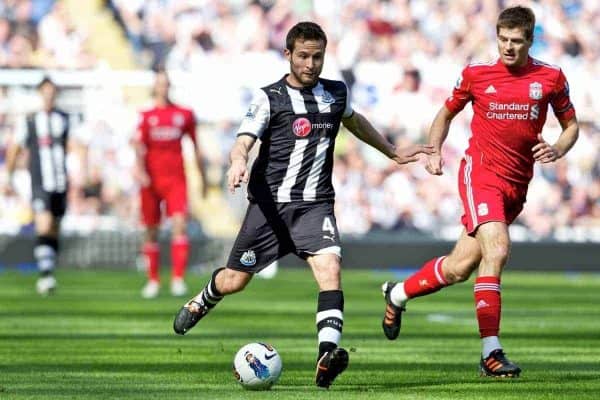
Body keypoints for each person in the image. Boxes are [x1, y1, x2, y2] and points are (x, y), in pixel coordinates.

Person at [172, 21, 433, 389]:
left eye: (318, 57)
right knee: (234, 281)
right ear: (289, 55)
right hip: (269, 209)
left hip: (315, 206)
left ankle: (327, 355)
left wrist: (391, 151)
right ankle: (203, 299)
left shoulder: (335, 94)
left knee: (330, 270)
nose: (311, 64)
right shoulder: (270, 97)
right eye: (304, 56)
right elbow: (244, 138)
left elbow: (354, 122)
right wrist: (237, 160)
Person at [380, 6, 579, 378]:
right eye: (502, 39)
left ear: (529, 40)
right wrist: (435, 149)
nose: (507, 47)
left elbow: (571, 126)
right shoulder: (476, 74)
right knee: (498, 249)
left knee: (459, 268)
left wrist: (558, 147)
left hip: (517, 184)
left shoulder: (550, 78)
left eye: (516, 41)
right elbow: (446, 113)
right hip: (480, 174)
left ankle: (397, 295)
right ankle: (491, 352)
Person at [2, 76, 87, 295]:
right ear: (41, 94)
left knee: (54, 229)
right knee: (44, 223)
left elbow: (76, 145)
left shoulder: (65, 119)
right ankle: (46, 276)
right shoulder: (30, 122)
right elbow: (15, 149)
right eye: (45, 93)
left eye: (52, 93)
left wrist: (81, 172)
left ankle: (48, 269)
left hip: (60, 183)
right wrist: (8, 177)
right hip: (40, 182)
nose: (49, 97)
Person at [132, 69, 207, 299]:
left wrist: (202, 177)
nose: (163, 87)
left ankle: (177, 279)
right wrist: (140, 171)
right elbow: (137, 145)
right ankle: (153, 280)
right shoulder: (146, 116)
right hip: (151, 181)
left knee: (179, 224)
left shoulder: (183, 114)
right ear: (155, 87)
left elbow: (195, 146)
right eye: (159, 84)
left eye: (166, 83)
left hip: (176, 179)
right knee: (150, 230)